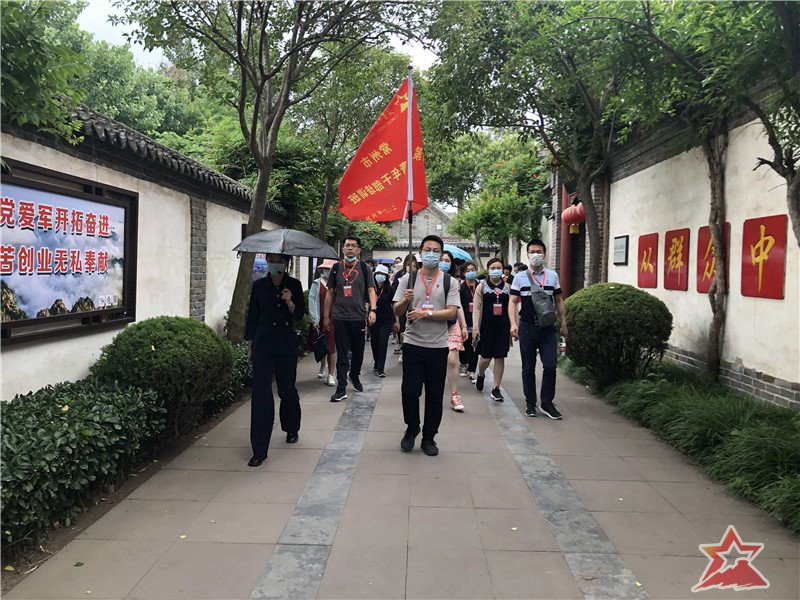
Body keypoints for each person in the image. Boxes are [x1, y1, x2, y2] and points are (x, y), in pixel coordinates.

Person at [392, 235, 461, 456]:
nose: (431, 253)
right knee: (409, 392)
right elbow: (397, 310)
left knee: (434, 394)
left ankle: (429, 437)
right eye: (427, 249)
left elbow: (451, 312)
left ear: (441, 254)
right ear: (421, 253)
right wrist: (406, 299)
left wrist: (426, 313)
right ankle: (412, 428)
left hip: (438, 346)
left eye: (435, 250)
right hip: (413, 344)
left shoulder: (450, 281)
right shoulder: (408, 279)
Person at [245, 253, 305, 467]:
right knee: (261, 394)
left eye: (279, 261)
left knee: (287, 390)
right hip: (263, 343)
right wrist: (250, 345)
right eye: (271, 260)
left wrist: (290, 302)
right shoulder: (259, 286)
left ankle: (291, 427)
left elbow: (299, 315)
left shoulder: (294, 285)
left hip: (286, 343)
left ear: (287, 263)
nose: (275, 264)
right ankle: (259, 449)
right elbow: (253, 316)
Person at [509, 239, 568, 420]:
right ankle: (530, 403)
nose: (536, 255)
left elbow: (558, 300)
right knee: (528, 368)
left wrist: (563, 323)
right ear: (527, 255)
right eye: (532, 251)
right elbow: (512, 301)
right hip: (527, 327)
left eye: (539, 251)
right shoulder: (519, 277)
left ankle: (547, 402)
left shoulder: (552, 276)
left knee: (550, 365)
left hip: (548, 329)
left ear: (544, 254)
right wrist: (513, 323)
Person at [323, 236, 377, 402]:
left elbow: (371, 290)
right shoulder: (336, 268)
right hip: (340, 317)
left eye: (353, 246)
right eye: (347, 245)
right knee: (342, 354)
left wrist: (373, 310)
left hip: (358, 316)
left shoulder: (364, 268)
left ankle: (354, 374)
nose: (350, 248)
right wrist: (326, 316)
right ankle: (341, 388)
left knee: (358, 352)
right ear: (343, 249)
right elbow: (330, 293)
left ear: (359, 250)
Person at [473, 258, 512, 402]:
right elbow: (476, 308)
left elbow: (512, 307)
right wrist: (475, 327)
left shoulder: (508, 287)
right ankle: (481, 374)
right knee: (485, 358)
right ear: (488, 269)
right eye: (493, 268)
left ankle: (496, 389)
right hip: (486, 327)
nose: (496, 270)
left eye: (499, 268)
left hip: (503, 327)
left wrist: (515, 325)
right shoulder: (481, 286)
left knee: (500, 357)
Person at [440, 251, 467, 411]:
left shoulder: (453, 282)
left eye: (447, 260)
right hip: (432, 323)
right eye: (442, 260)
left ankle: (455, 395)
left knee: (452, 360)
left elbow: (458, 305)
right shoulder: (426, 279)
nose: (444, 263)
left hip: (451, 324)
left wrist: (464, 325)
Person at [308, 258, 337, 386]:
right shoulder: (316, 283)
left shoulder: (337, 284)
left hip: (333, 319)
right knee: (321, 343)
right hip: (319, 318)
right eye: (326, 269)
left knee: (332, 346)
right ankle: (322, 365)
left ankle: (331, 374)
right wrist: (314, 319)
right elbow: (312, 301)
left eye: (330, 269)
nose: (328, 271)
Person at [391, 254, 418, 363]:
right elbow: (395, 299)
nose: (411, 268)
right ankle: (403, 349)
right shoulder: (399, 277)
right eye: (409, 265)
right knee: (402, 331)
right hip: (402, 307)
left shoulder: (418, 277)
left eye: (414, 266)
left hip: (414, 309)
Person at [370, 264, 393, 377]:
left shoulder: (390, 289)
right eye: (378, 273)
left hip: (386, 320)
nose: (380, 276)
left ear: (386, 276)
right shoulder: (371, 289)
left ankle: (381, 368)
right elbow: (367, 303)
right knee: (374, 343)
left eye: (383, 274)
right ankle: (376, 362)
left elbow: (394, 304)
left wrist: (396, 321)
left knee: (383, 343)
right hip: (373, 320)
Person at [459, 261, 480, 383]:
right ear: (463, 273)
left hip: (477, 321)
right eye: (468, 271)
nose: (471, 272)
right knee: (464, 344)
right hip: (465, 321)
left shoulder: (480, 286)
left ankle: (472, 370)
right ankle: (463, 363)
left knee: (475, 346)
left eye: (473, 270)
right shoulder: (461, 287)